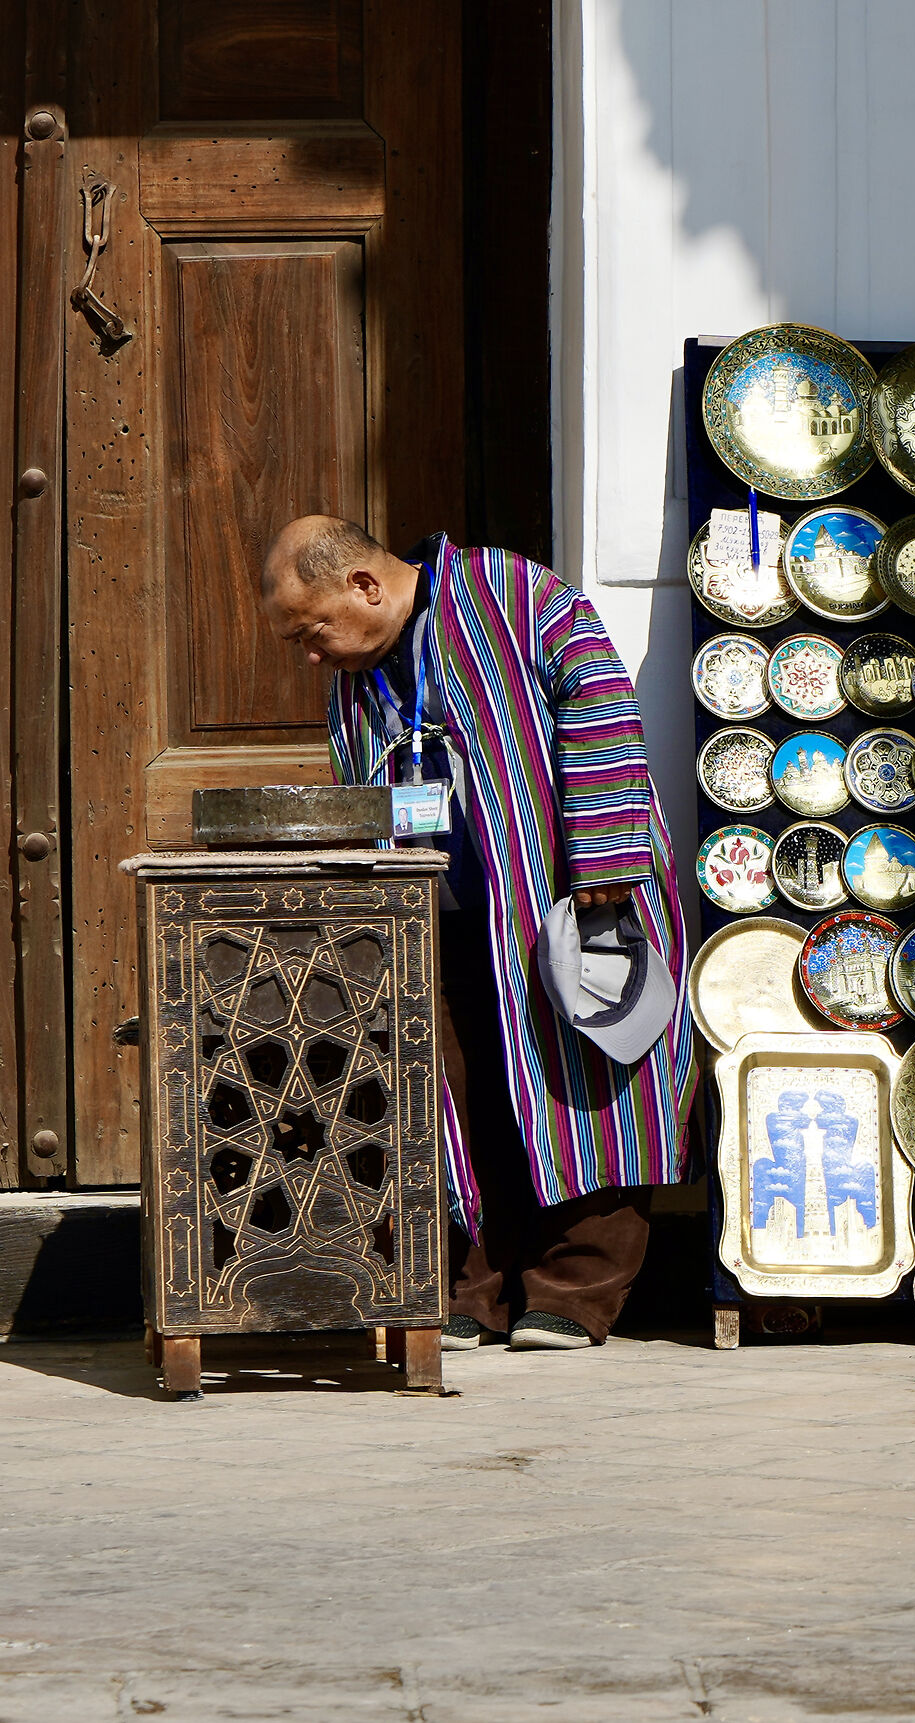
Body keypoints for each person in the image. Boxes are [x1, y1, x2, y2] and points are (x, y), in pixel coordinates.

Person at [260, 516, 695, 1350]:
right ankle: (471, 1286)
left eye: (311, 631)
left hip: (566, 905)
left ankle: (575, 1291)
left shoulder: (516, 596)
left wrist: (605, 849)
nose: (310, 655)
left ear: (364, 586)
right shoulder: (358, 671)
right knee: (452, 1102)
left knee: (592, 1086)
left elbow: (602, 699)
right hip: (442, 920)